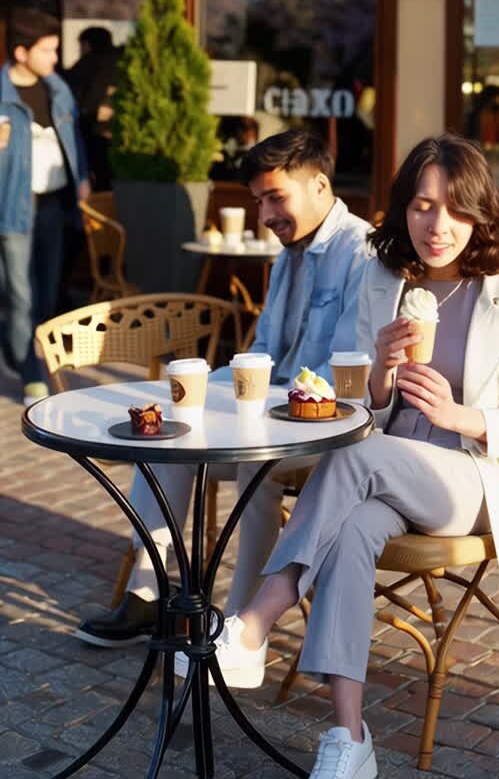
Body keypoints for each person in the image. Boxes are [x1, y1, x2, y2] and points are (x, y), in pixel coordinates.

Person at [201, 133, 499, 779]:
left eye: (456, 209)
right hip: (390, 467)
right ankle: (349, 739)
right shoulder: (385, 279)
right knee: (353, 529)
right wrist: (380, 374)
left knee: (355, 461)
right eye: (423, 206)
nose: (438, 225)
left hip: (475, 479)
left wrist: (463, 416)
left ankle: (258, 616)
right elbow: (367, 411)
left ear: (481, 212)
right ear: (403, 210)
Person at [75, 127, 371, 651]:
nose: (265, 216)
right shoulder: (290, 254)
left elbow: (344, 380)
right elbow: (263, 352)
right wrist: (195, 394)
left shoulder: (363, 255)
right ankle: (148, 594)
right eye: (259, 202)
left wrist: (248, 409)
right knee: (171, 436)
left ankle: (237, 628)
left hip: (327, 435)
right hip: (269, 416)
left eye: (276, 198)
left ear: (321, 186)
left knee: (256, 463)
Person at [0, 8, 89, 404]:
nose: (55, 59)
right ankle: (32, 374)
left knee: (47, 293)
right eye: (48, 50)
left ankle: (19, 350)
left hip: (54, 206)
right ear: (21, 52)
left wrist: (82, 178)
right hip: (12, 209)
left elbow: (75, 138)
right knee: (20, 295)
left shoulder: (58, 89)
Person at [65, 25, 121, 191]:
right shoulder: (123, 62)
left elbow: (88, 99)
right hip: (118, 131)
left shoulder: (91, 63)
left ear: (87, 45)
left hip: (96, 131)